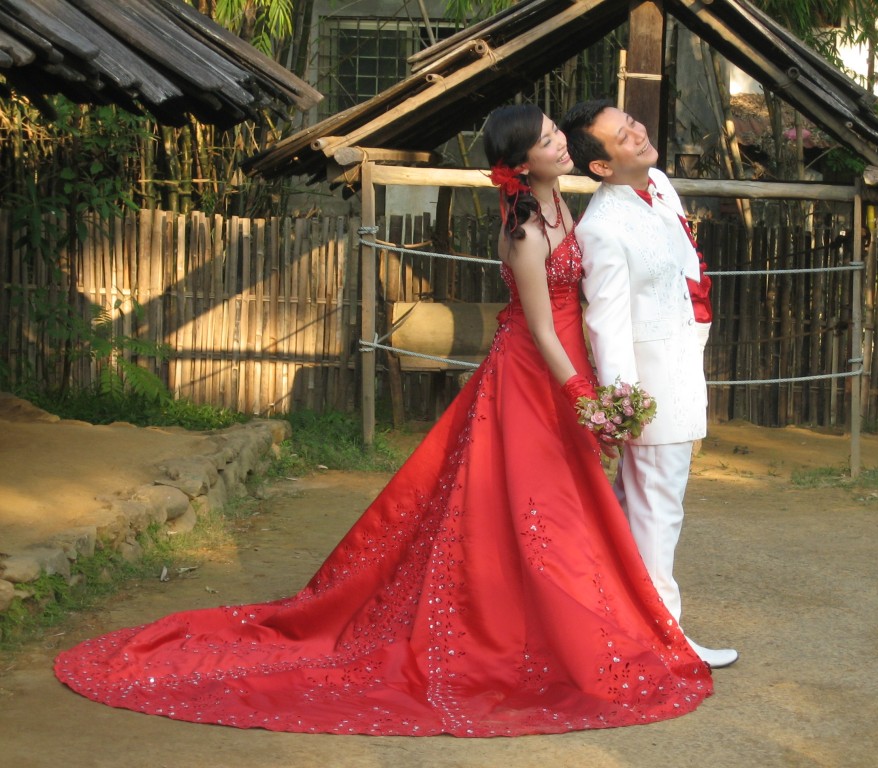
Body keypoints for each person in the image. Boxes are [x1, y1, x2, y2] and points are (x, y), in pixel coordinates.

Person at [53, 104, 713, 737]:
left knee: (558, 505)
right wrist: (580, 393)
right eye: (547, 140)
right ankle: (533, 633)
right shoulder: (524, 233)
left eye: (555, 132)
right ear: (521, 163)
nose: (560, 141)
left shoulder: (564, 206)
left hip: (566, 367)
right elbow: (540, 326)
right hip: (532, 372)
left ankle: (562, 624)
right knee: (541, 507)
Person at [561, 100, 738, 669]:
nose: (638, 133)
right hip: (649, 386)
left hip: (684, 359)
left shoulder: (658, 183)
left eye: (632, 123)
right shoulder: (601, 229)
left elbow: (686, 266)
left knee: (635, 508)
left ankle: (613, 625)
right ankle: (664, 640)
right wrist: (624, 404)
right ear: (601, 167)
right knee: (658, 512)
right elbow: (606, 322)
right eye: (622, 136)